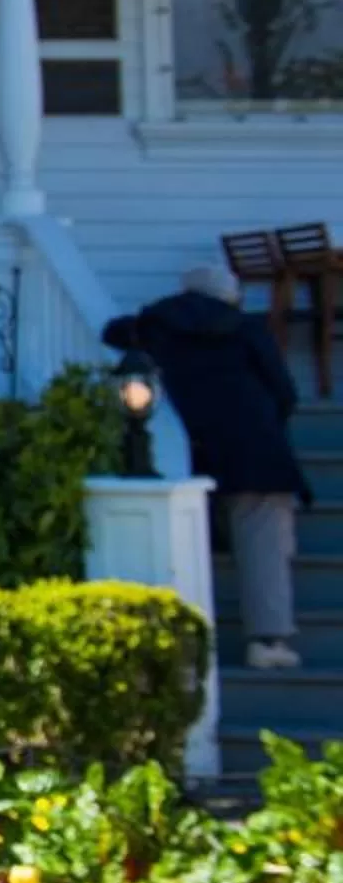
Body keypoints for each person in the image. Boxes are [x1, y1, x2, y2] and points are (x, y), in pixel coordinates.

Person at [105, 264, 314, 671]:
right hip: (256, 446)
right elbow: (284, 390)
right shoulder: (246, 327)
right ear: (229, 295)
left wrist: (145, 324)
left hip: (194, 446)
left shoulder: (157, 325)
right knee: (263, 539)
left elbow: (112, 332)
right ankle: (267, 640)